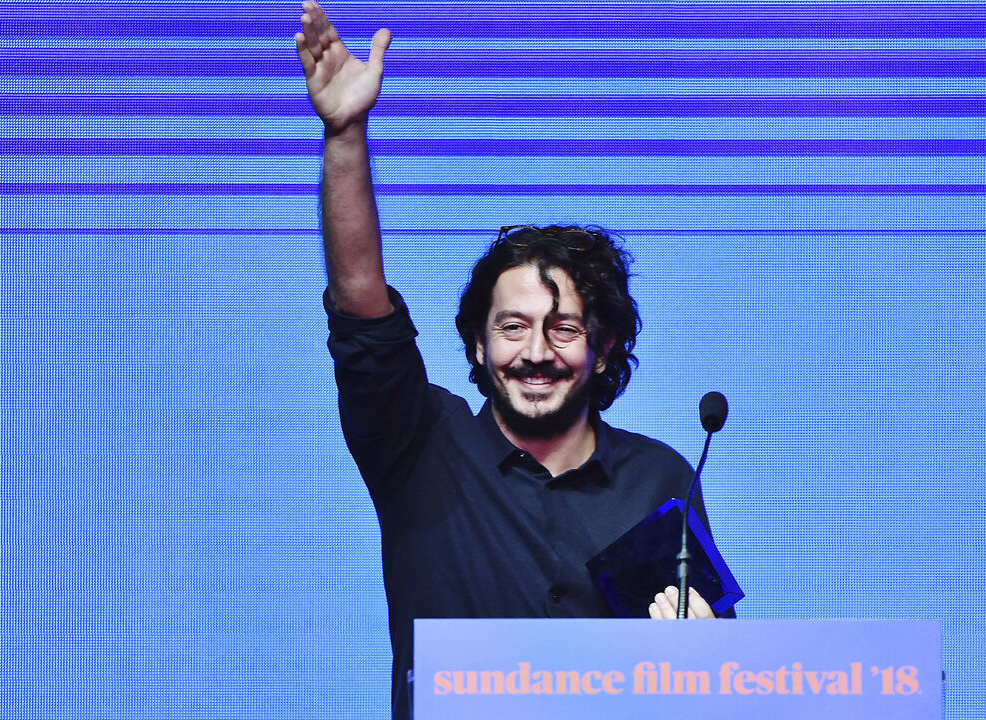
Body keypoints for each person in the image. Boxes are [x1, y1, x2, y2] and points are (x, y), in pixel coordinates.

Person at [295, 2, 721, 717]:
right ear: (477, 344)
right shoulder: (421, 445)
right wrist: (345, 134)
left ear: (604, 345)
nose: (534, 353)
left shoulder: (660, 480)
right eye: (513, 327)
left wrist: (705, 661)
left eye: (563, 330)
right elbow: (362, 305)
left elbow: (707, 683)